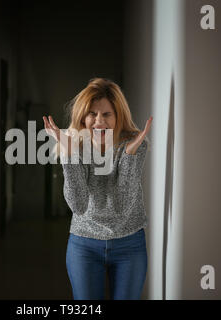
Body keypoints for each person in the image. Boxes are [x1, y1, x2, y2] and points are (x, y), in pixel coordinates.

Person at [42, 78, 153, 300]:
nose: (99, 121)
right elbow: (79, 205)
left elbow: (122, 205)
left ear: (118, 115)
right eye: (92, 113)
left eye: (106, 114)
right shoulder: (75, 144)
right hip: (84, 245)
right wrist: (70, 154)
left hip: (129, 244)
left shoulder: (134, 144)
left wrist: (129, 156)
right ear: (83, 116)